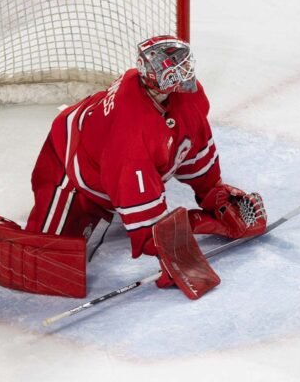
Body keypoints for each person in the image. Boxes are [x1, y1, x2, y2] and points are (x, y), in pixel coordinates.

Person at [24, 35, 267, 291]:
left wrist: (212, 192)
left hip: (110, 156)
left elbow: (193, 141)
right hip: (70, 162)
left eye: (185, 63)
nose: (186, 70)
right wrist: (179, 243)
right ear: (159, 77)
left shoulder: (183, 95)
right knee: (47, 264)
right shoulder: (130, 134)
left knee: (169, 134)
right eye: (177, 67)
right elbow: (142, 215)